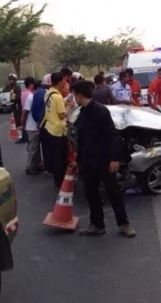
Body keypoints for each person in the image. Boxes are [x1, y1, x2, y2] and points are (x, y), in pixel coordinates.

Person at [70, 80, 136, 238]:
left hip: (104, 160)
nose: (74, 98)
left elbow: (112, 135)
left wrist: (114, 159)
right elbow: (82, 139)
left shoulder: (101, 111)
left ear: (79, 95)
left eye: (74, 95)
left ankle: (124, 224)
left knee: (113, 192)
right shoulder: (82, 113)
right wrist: (78, 160)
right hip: (88, 161)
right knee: (91, 193)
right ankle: (97, 225)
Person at [43, 72, 68, 187]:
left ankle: (57, 180)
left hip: (50, 128)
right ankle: (61, 181)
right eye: (63, 81)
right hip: (58, 130)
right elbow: (62, 114)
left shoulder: (48, 93)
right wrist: (70, 106)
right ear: (59, 82)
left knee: (56, 157)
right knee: (61, 158)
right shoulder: (57, 97)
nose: (64, 83)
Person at [22, 79, 42, 174]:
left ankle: (36, 165)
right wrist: (22, 125)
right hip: (32, 126)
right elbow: (25, 112)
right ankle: (29, 167)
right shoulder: (31, 97)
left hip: (36, 126)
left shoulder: (36, 96)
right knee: (33, 148)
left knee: (37, 148)